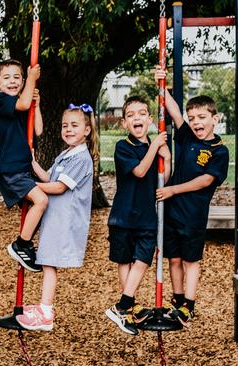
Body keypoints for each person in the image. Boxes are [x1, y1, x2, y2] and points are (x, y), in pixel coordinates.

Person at [155, 67, 229, 326]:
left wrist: (173, 189)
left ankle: (189, 305)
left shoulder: (219, 151)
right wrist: (162, 85)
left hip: (193, 217)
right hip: (172, 212)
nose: (196, 122)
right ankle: (177, 301)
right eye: (192, 117)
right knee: (173, 259)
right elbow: (174, 112)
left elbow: (206, 180)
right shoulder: (186, 137)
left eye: (201, 117)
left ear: (215, 118)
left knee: (190, 261)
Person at [16, 103, 97, 331]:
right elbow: (49, 176)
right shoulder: (66, 154)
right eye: (65, 126)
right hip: (55, 219)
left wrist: (30, 186)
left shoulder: (81, 159)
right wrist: (31, 162)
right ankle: (44, 307)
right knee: (46, 262)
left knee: (49, 264)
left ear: (87, 130)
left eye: (74, 125)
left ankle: (46, 313)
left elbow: (59, 187)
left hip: (65, 221)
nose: (68, 130)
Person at [105, 96, 171, 336]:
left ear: (150, 119)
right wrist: (155, 147)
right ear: (124, 123)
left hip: (146, 217)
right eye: (131, 115)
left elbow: (164, 178)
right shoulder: (124, 147)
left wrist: (168, 156)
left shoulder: (154, 146)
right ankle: (128, 308)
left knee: (143, 258)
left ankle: (123, 306)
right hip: (123, 216)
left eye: (142, 113)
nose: (137, 118)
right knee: (125, 261)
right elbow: (141, 171)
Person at [0, 59, 46, 272]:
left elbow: (38, 130)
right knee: (41, 200)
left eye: (17, 77)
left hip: (24, 168)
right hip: (11, 168)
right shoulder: (0, 100)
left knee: (40, 206)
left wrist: (37, 105)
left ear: (22, 81)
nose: (12, 81)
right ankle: (21, 244)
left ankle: (26, 244)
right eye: (7, 78)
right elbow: (22, 104)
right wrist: (33, 78)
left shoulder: (22, 104)